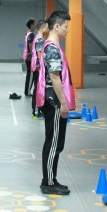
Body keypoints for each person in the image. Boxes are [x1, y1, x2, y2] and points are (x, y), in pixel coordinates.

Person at [35, 10, 75, 195]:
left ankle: (51, 178)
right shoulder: (52, 48)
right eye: (66, 26)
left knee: (55, 143)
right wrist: (63, 104)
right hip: (54, 101)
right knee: (53, 144)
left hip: (52, 99)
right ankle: (48, 183)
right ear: (57, 27)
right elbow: (55, 77)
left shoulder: (51, 46)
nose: (67, 30)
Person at [30, 19, 48, 119]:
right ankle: (37, 111)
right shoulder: (40, 40)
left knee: (37, 89)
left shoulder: (37, 38)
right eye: (47, 27)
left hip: (36, 68)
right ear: (42, 28)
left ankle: (36, 110)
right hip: (39, 69)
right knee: (38, 90)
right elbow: (40, 56)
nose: (48, 29)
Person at [21, 18, 36, 98]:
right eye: (34, 24)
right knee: (30, 75)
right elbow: (30, 46)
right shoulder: (31, 35)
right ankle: (28, 91)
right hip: (30, 57)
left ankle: (27, 90)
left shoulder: (27, 33)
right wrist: (34, 55)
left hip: (26, 56)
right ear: (31, 25)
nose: (35, 25)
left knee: (29, 75)